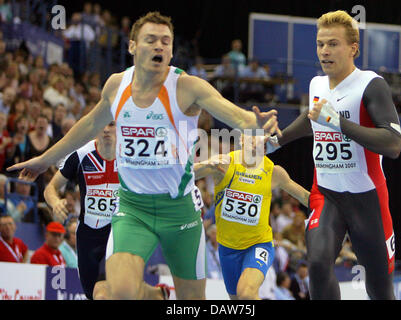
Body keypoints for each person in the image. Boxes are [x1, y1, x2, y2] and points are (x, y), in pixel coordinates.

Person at [8, 11, 281, 300]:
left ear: (173, 50)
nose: (159, 46)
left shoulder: (188, 87)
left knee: (192, 303)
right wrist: (44, 160)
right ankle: (156, 296)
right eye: (151, 40)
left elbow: (237, 115)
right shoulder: (116, 85)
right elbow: (89, 124)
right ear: (132, 46)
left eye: (166, 41)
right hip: (133, 209)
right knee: (121, 292)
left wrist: (257, 124)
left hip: (180, 213)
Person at [269, 10, 401, 300]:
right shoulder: (317, 84)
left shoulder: (371, 84)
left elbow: (393, 144)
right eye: (320, 44)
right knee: (316, 264)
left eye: (333, 44)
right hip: (327, 193)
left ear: (354, 48)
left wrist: (339, 123)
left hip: (367, 199)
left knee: (379, 290)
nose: (324, 51)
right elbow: (312, 117)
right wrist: (278, 140)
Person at [44, 122, 169, 300]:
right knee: (93, 293)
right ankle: (154, 293)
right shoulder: (81, 155)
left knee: (104, 294)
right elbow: (50, 187)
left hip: (118, 232)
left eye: (111, 124)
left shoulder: (132, 155)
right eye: (101, 124)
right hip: (87, 235)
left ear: (120, 127)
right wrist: (56, 202)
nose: (105, 129)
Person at [194, 134, 309, 300]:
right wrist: (203, 165)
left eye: (262, 141)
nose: (257, 144)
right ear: (241, 139)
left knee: (246, 294)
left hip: (258, 244)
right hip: (227, 248)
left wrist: (336, 214)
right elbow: (189, 173)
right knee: (236, 300)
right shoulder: (225, 163)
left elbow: (306, 197)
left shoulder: (273, 172)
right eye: (253, 139)